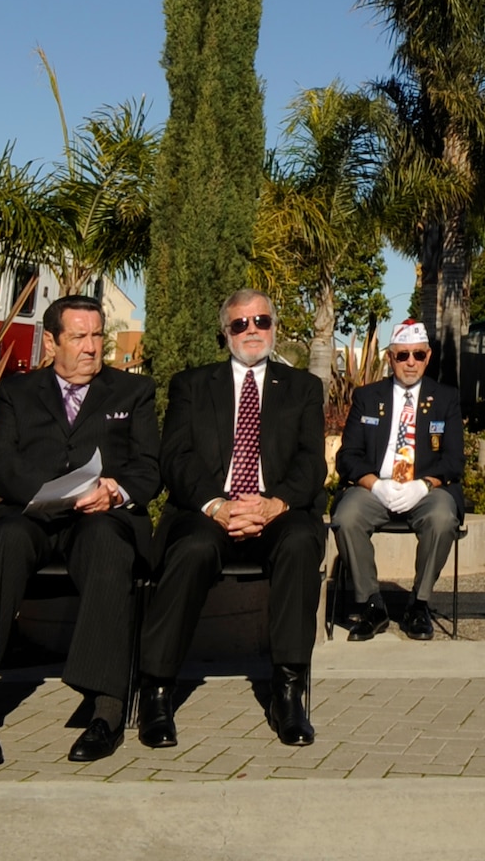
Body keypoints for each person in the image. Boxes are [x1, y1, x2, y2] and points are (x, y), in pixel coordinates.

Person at [0, 292, 159, 766]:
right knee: (1, 541)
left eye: (98, 335)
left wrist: (115, 492)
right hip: (29, 513)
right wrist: (53, 492)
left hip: (99, 516)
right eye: (79, 336)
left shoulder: (132, 392)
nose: (92, 346)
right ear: (53, 342)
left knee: (108, 548)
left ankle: (106, 711)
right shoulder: (17, 392)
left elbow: (149, 471)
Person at [135, 290, 326, 751]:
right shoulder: (193, 385)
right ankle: (157, 691)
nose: (252, 330)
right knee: (193, 549)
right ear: (226, 334)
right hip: (208, 511)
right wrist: (218, 506)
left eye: (261, 320)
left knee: (301, 542)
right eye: (240, 324)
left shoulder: (301, 388)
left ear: (275, 327)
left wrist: (274, 503)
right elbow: (176, 457)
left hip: (274, 511)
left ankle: (288, 692)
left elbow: (310, 463)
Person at [331, 319, 465, 640]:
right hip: (377, 487)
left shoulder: (445, 398)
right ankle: (371, 606)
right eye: (402, 355)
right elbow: (347, 456)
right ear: (389, 358)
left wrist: (424, 485)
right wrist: (375, 484)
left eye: (418, 355)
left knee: (443, 517)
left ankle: (418, 604)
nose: (410, 363)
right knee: (346, 516)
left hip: (425, 488)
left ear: (428, 356)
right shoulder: (367, 397)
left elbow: (454, 459)